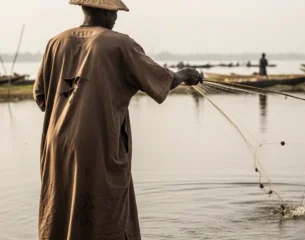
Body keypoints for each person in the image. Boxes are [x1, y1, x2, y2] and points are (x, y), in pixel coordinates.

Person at [33, 1, 202, 239]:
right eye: (114, 14)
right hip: (98, 142)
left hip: (57, 144)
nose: (115, 19)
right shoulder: (119, 43)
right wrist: (185, 74)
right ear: (104, 11)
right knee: (106, 210)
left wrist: (71, 108)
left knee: (61, 206)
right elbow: (160, 78)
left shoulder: (56, 42)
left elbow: (40, 97)